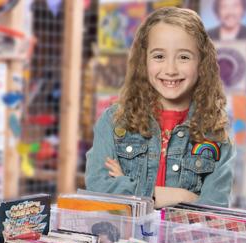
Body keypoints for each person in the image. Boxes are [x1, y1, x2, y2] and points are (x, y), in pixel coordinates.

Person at [85, 7, 234, 208]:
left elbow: (213, 208)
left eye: (184, 57)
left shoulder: (215, 133)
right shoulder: (114, 121)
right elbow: (99, 189)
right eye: (159, 56)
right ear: (143, 61)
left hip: (180, 239)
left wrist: (129, 190)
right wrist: (184, 196)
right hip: (124, 238)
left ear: (201, 62)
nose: (170, 70)